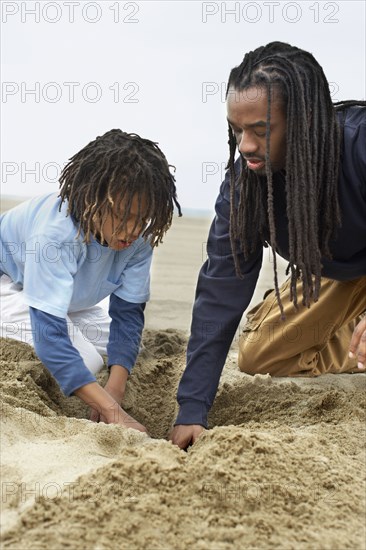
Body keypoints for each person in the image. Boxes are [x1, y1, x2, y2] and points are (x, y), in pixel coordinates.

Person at [169, 41, 366, 450]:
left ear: (305, 120)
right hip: (341, 273)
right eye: (236, 130)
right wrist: (191, 408)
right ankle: (355, 339)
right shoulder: (244, 189)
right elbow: (220, 291)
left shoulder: (359, 143)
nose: (244, 145)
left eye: (260, 130)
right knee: (260, 355)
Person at [0, 129, 181, 433]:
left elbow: (127, 315)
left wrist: (116, 389)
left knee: (120, 349)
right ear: (91, 199)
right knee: (86, 359)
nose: (133, 230)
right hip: (8, 280)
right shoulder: (55, 235)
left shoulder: (139, 241)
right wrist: (113, 412)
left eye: (143, 218)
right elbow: (50, 336)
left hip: (67, 294)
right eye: (123, 215)